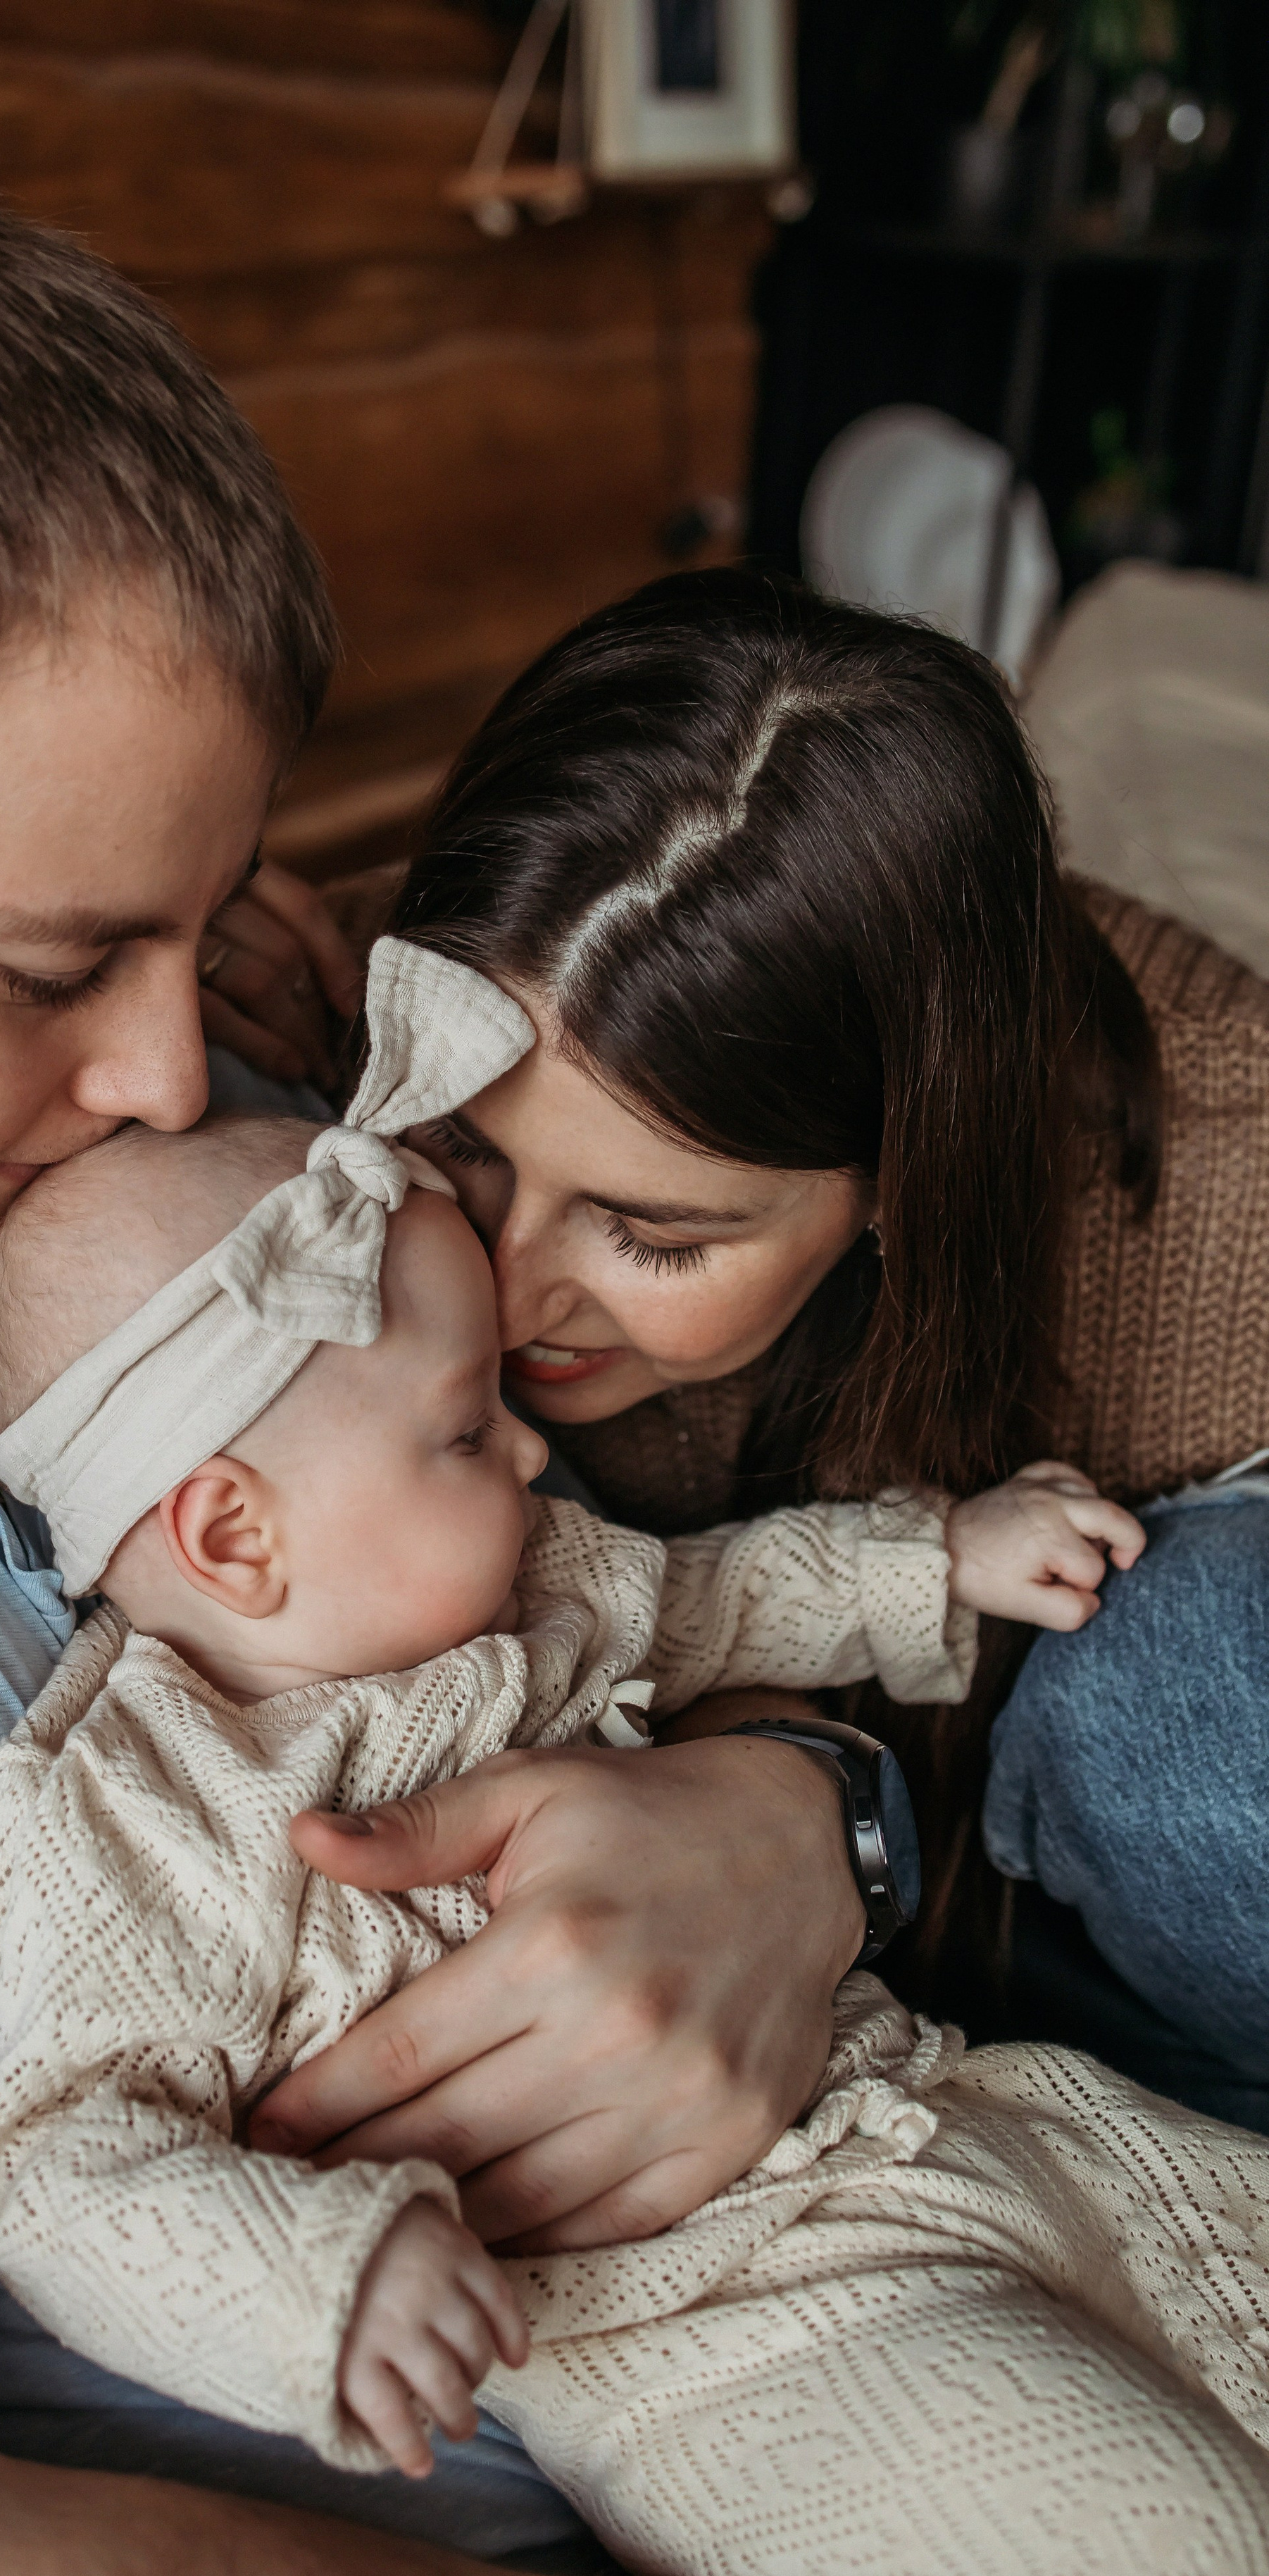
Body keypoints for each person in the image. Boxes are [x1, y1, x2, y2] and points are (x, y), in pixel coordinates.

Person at [0, 175, 1001, 2576]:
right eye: (57, 965)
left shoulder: (196, 1155)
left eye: (203, 930)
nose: (185, 1079)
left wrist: (809, 1828)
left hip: (901, 2213)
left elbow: (639, 1589)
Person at [0, 980, 1269, 2576]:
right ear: (233, 1535)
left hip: (964, 2121)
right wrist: (324, 2277)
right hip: (717, 2340)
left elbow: (724, 1596)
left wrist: (935, 1559)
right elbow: (51, 2162)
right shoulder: (140, 1808)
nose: (532, 1442)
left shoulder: (537, 1586)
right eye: (464, 1427)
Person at [368, 566, 1269, 2128]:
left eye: (652, 1234)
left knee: (1185, 1703)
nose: (501, 1303)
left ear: (904, 1179)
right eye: (460, 1147)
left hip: (1115, 1910)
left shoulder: (1230, 1186)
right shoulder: (389, 1001)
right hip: (805, 1893)